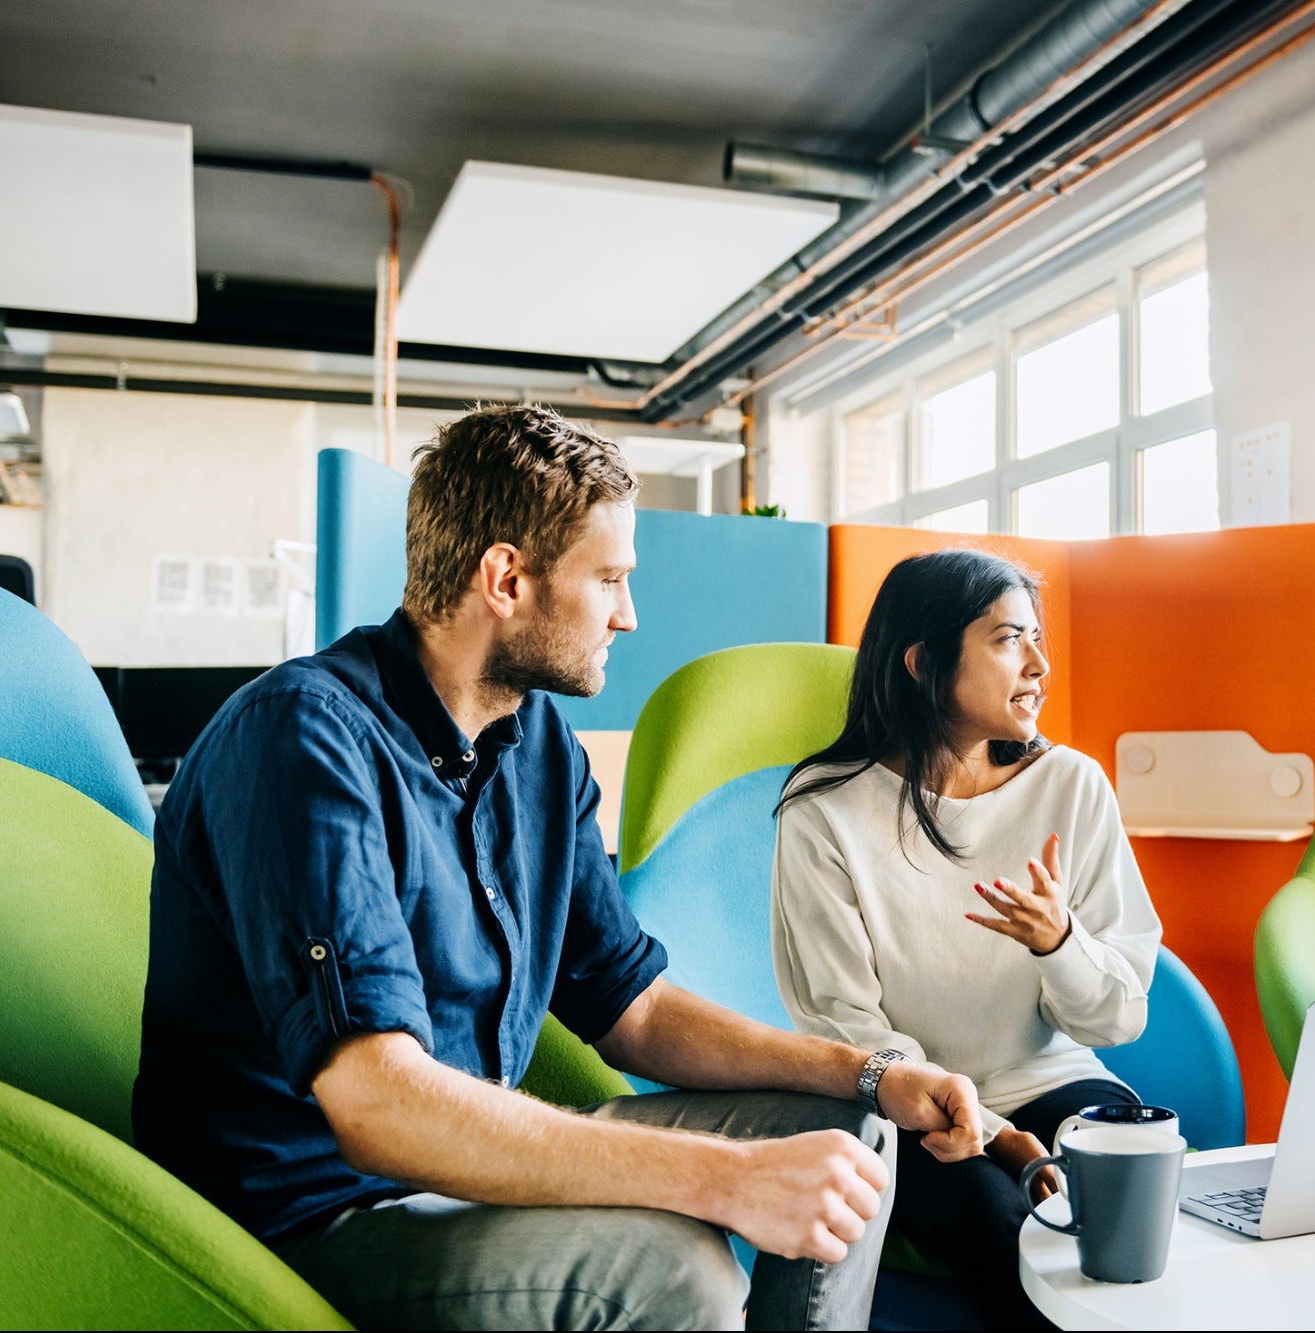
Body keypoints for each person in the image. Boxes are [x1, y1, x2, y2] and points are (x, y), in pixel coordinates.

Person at [133, 405, 986, 1332]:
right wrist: (730, 1180)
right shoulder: (303, 737)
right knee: (680, 1270)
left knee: (850, 1137)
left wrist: (866, 1071)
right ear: (506, 578)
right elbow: (379, 1105)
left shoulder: (535, 741)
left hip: (470, 1167)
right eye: (610, 578)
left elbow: (635, 1007)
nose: (629, 612)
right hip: (316, 1218)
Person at [771, 549, 1161, 1327]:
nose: (1041, 664)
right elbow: (844, 1024)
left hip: (1051, 1076)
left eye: (1038, 638)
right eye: (1010, 639)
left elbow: (1118, 1017)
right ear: (923, 662)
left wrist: (1060, 943)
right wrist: (997, 1137)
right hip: (901, 1103)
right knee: (1003, 1221)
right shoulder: (823, 812)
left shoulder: (1072, 785)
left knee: (1129, 1199)